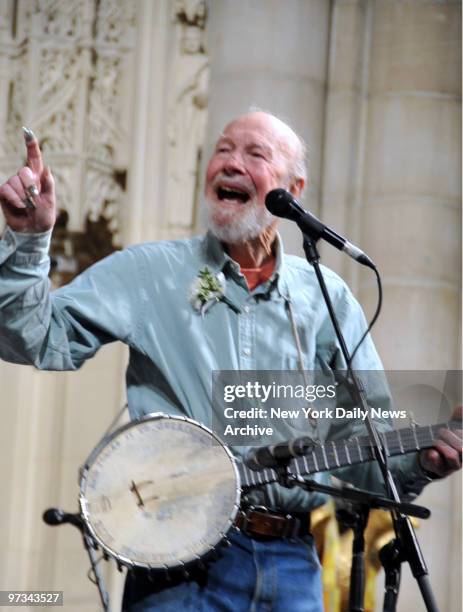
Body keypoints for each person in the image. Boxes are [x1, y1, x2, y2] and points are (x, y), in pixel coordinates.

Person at [0, 113, 461, 611]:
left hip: (292, 566)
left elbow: (359, 438)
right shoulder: (150, 272)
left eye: (255, 154)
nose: (231, 164)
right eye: (222, 150)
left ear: (293, 189)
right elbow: (34, 338)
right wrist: (29, 242)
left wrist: (423, 459)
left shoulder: (328, 297)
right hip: (179, 565)